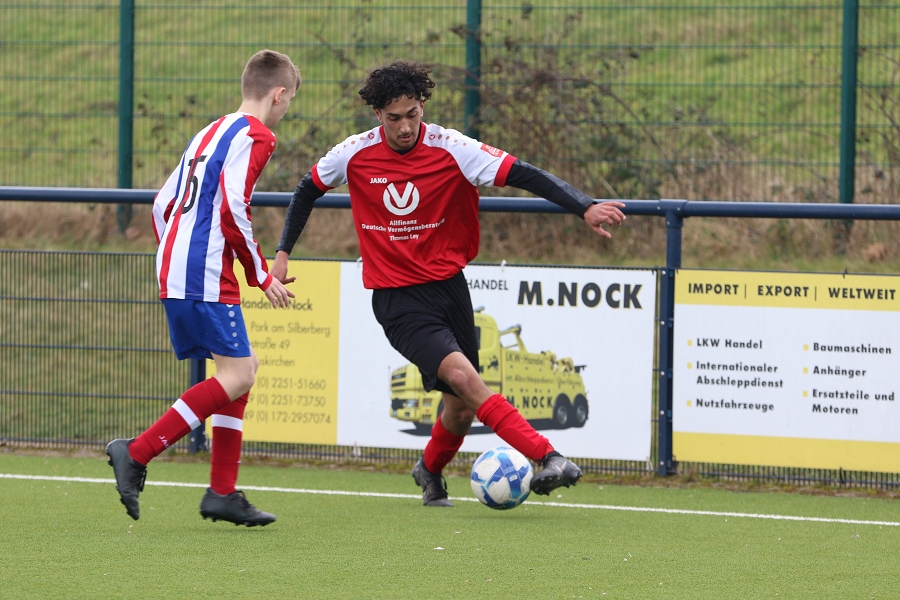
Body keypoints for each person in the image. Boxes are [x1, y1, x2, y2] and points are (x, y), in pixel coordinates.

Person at [272, 60, 626, 507]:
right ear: (377, 115)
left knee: (459, 405)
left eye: (412, 114)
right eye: (393, 117)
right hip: (397, 298)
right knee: (464, 376)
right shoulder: (354, 152)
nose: (405, 127)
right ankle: (547, 456)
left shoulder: (452, 147)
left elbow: (523, 172)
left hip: (449, 288)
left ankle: (430, 470)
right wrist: (282, 253)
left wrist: (584, 206)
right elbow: (307, 188)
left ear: (423, 106)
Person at [106, 49, 301, 525]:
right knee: (238, 375)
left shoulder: (210, 131)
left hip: (178, 264)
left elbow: (161, 203)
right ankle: (136, 452)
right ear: (278, 94)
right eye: (289, 100)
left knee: (243, 367)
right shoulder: (258, 135)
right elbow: (234, 206)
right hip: (205, 271)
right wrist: (260, 274)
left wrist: (173, 252)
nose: (286, 109)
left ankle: (222, 492)